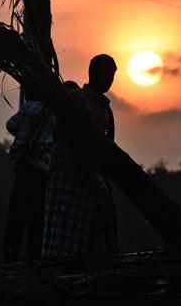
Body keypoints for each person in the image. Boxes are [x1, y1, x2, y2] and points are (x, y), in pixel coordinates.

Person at [42, 54, 119, 260]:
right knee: (62, 230)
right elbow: (60, 133)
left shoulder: (106, 110)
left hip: (89, 175)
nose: (110, 79)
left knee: (98, 220)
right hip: (66, 172)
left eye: (113, 76)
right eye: (107, 74)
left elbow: (108, 146)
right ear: (93, 73)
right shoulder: (76, 98)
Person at [2, 88, 57, 262]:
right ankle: (33, 256)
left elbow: (11, 125)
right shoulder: (57, 117)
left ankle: (10, 255)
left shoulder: (29, 107)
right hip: (41, 170)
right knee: (37, 216)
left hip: (23, 167)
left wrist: (25, 132)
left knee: (17, 214)